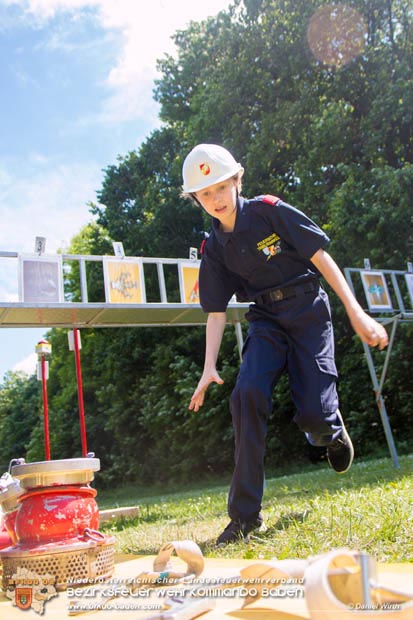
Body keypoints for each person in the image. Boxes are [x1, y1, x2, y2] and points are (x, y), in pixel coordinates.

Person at [182, 144, 389, 546]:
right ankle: (244, 517)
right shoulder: (213, 248)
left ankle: (329, 430)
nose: (216, 200)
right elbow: (216, 311)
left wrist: (356, 311)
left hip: (307, 307)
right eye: (205, 194)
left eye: (222, 188)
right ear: (196, 199)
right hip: (266, 321)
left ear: (237, 181)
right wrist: (209, 366)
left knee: (313, 413)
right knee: (246, 395)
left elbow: (320, 256)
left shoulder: (269, 210)